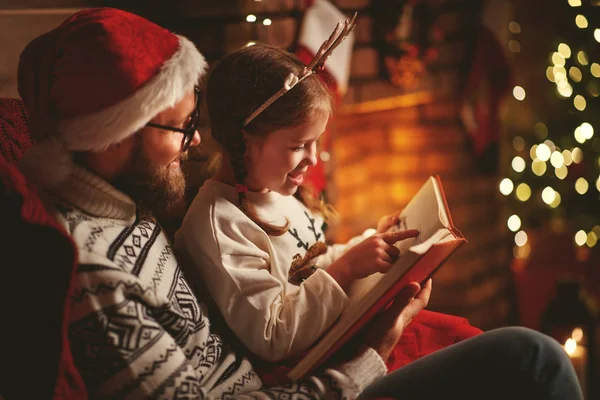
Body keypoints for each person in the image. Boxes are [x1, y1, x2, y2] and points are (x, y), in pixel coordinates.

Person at [15, 7, 582, 400]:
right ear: (110, 135)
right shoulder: (92, 272)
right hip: (309, 378)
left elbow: (295, 264)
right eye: (180, 126)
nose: (194, 142)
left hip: (316, 364)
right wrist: (371, 355)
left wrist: (363, 253)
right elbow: (266, 326)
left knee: (510, 354)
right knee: (533, 360)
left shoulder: (134, 201)